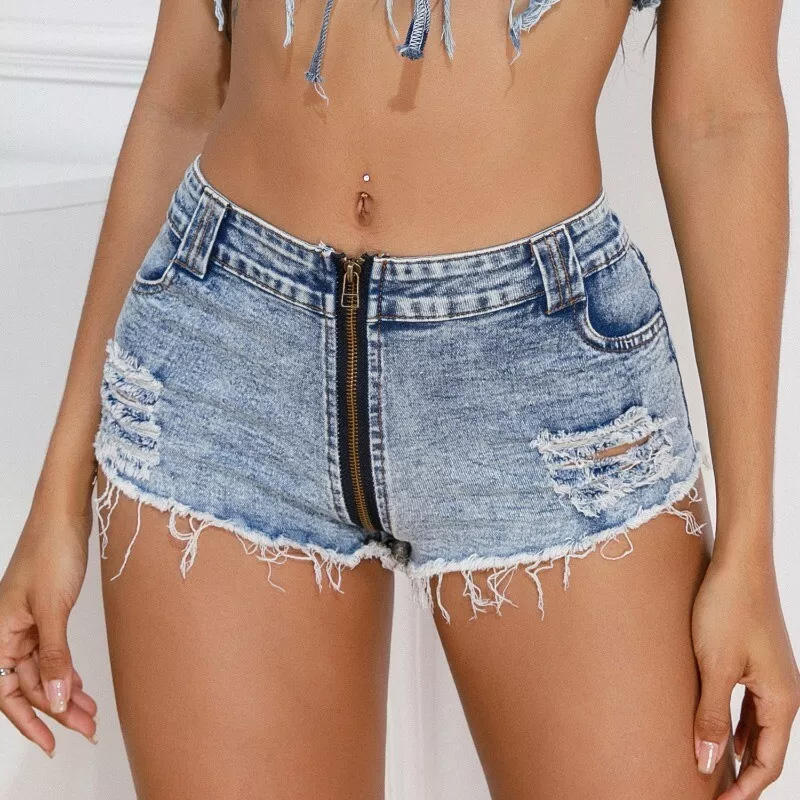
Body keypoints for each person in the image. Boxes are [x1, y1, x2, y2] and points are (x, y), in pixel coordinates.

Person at [0, 0, 797, 797]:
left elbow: (720, 118)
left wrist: (749, 547)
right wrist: (59, 496)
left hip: (545, 386)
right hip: (223, 354)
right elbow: (181, 94)